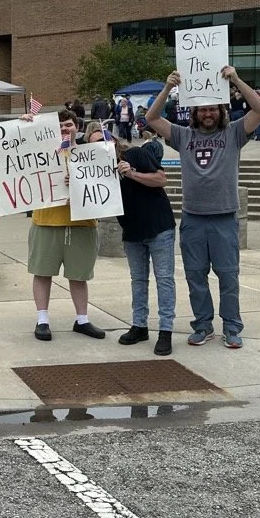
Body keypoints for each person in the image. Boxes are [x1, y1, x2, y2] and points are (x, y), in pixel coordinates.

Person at [145, 65, 260, 349]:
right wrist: (168, 88)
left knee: (228, 276)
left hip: (225, 217)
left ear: (221, 111)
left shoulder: (234, 133)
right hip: (193, 218)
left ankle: (232, 326)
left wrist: (236, 79)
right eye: (202, 110)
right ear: (194, 113)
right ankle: (202, 325)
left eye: (213, 109)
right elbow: (151, 118)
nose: (208, 114)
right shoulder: (182, 135)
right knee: (195, 276)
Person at [26, 110, 105, 342]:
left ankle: (82, 319)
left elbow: (105, 181)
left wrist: (80, 180)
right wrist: (24, 125)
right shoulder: (39, 153)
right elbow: (15, 151)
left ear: (77, 127)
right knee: (42, 272)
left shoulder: (91, 154)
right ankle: (42, 320)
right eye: (59, 125)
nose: (64, 128)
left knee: (79, 275)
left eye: (68, 124)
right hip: (46, 220)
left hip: (82, 223)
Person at [114, 138, 175, 356]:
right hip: (131, 231)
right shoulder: (96, 173)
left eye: (102, 142)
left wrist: (131, 173)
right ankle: (139, 325)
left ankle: (165, 331)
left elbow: (161, 179)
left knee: (164, 278)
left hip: (158, 226)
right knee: (138, 280)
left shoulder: (136, 154)